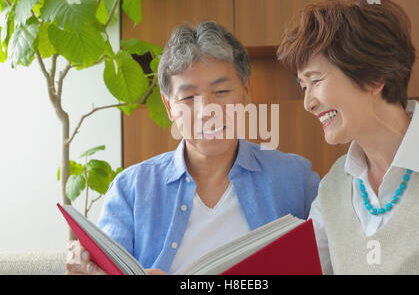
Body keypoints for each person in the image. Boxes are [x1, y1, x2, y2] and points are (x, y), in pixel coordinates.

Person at [66, 21, 320, 275]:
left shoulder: (295, 179)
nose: (206, 111)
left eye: (221, 91)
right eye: (188, 98)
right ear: (169, 108)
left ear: (246, 92)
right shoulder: (130, 190)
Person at [277, 0, 419, 274]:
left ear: (373, 77)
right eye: (303, 87)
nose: (308, 103)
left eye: (316, 81)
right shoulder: (333, 187)